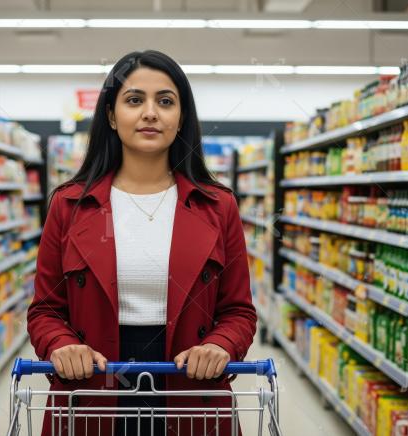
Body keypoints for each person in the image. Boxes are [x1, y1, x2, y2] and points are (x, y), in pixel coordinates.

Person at [27, 50, 257, 436]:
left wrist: (219, 345)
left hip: (190, 393)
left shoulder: (218, 206)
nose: (151, 113)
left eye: (165, 101)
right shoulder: (69, 205)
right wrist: (62, 344)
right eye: (135, 100)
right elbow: (45, 311)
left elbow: (239, 312)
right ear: (112, 116)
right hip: (92, 392)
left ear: (181, 117)